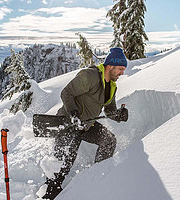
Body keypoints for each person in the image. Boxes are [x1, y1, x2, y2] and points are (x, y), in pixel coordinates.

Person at [42, 47, 129, 199]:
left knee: (109, 140)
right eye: (120, 69)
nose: (122, 73)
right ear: (111, 66)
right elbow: (66, 93)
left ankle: (96, 177)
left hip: (87, 125)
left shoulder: (111, 87)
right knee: (64, 163)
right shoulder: (90, 76)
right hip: (68, 123)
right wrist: (74, 114)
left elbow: (109, 111)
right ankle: (49, 194)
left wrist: (119, 115)